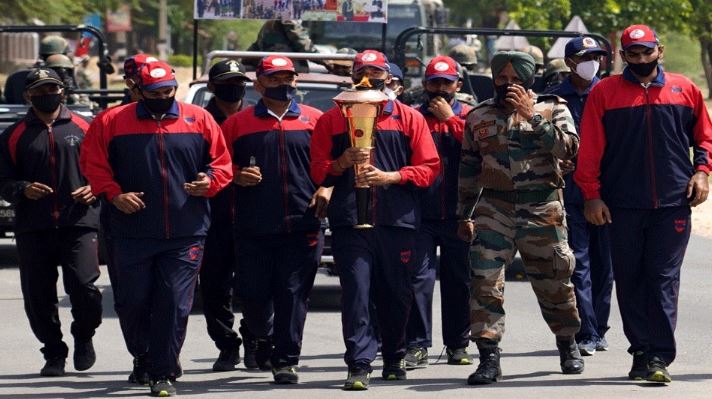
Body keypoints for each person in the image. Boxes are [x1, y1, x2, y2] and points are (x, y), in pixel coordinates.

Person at [80, 61, 232, 397]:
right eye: (155, 93)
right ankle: (144, 354)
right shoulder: (111, 121)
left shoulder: (200, 119)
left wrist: (209, 181)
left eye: (168, 92)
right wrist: (114, 194)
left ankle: (163, 371)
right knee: (133, 301)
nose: (164, 98)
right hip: (130, 232)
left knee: (175, 302)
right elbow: (92, 163)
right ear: (137, 91)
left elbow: (222, 163)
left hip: (186, 231)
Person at [574, 24, 712, 384]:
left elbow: (704, 138)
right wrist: (591, 194)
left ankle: (659, 357)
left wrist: (702, 172)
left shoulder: (685, 89)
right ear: (622, 56)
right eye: (632, 54)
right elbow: (590, 149)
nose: (640, 60)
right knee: (631, 279)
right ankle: (641, 352)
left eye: (646, 52)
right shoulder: (604, 93)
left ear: (659, 51)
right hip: (622, 205)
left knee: (663, 279)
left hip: (672, 205)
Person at [310, 50, 440, 390]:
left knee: (396, 293)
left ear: (388, 77)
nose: (369, 77)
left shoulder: (409, 117)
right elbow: (316, 169)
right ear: (353, 76)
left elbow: (430, 168)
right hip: (349, 220)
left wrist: (391, 177)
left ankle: (395, 355)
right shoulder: (332, 119)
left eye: (376, 71)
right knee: (356, 291)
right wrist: (340, 164)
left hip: (397, 220)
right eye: (362, 71)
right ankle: (359, 363)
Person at [458, 51, 583, 385]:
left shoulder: (553, 108)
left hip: (542, 209)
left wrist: (532, 116)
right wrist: (463, 214)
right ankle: (488, 357)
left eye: (516, 78)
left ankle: (567, 341)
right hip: (494, 209)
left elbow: (569, 149)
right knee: (484, 281)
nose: (508, 84)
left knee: (554, 281)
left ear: (529, 80)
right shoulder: (479, 115)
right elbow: (469, 168)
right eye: (502, 78)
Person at [223, 55, 330, 384]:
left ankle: (286, 359)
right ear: (258, 85)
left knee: (293, 293)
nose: (284, 84)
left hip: (303, 223)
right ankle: (263, 337)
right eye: (274, 79)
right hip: (253, 226)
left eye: (289, 78)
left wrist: (327, 188)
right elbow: (216, 167)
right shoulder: (237, 124)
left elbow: (334, 166)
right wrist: (237, 175)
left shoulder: (316, 120)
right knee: (254, 295)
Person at [0, 68, 102, 377]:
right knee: (38, 295)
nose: (48, 95)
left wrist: (95, 187)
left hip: (79, 222)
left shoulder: (87, 126)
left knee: (84, 287)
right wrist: (21, 189)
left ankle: (84, 335)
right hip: (34, 226)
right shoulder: (14, 134)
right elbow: (3, 180)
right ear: (28, 96)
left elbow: (106, 167)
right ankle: (54, 352)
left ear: (63, 91)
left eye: (53, 88)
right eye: (40, 90)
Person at [404, 56, 473, 370]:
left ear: (458, 84)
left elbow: (483, 151)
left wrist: (451, 121)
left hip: (462, 214)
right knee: (418, 281)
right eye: (435, 82)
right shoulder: (413, 117)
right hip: (421, 214)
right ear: (425, 84)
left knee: (459, 281)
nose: (441, 89)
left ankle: (458, 345)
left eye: (447, 83)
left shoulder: (472, 116)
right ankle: (416, 345)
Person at [545, 36, 613, 357]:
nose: (593, 63)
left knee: (606, 265)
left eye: (597, 57)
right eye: (587, 58)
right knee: (579, 263)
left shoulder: (610, 94)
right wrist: (559, 158)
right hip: (570, 192)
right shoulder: (554, 99)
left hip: (607, 192)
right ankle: (586, 330)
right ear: (570, 63)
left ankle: (600, 326)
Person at [200, 59, 251, 372]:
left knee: (257, 287)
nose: (233, 87)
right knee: (215, 288)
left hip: (257, 216)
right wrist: (232, 174)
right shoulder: (199, 119)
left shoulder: (258, 117)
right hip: (212, 216)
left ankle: (258, 340)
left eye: (238, 81)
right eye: (226, 81)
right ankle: (227, 344)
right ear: (212, 86)